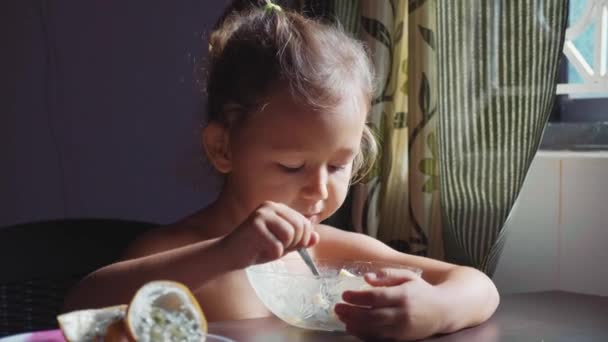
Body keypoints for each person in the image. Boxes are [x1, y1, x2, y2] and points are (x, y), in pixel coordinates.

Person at [64, 1, 499, 340]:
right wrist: (226, 255)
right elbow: (80, 307)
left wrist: (435, 309)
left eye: (338, 164)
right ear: (222, 148)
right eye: (292, 166)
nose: (319, 188)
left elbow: (478, 285)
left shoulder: (327, 252)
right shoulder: (178, 250)